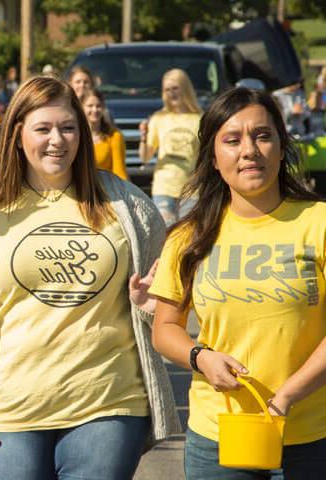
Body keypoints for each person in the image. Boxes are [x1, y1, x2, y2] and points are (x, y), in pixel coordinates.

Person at [0, 76, 180, 479]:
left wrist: (151, 310)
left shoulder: (129, 206)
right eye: (43, 128)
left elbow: (167, 304)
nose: (57, 140)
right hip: (10, 410)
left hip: (108, 401)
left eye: (68, 128)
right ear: (17, 134)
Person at [150, 87, 326, 479]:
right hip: (218, 439)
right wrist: (201, 358)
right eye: (232, 140)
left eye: (263, 136)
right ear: (214, 158)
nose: (249, 150)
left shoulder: (319, 222)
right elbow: (164, 329)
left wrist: (288, 395)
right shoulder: (188, 236)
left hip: (312, 438)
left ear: (282, 147)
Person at [139, 68, 202, 226]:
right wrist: (143, 136)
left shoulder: (200, 119)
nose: (171, 93)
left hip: (192, 190)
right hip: (163, 188)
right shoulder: (159, 118)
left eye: (175, 88)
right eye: (167, 90)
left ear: (185, 88)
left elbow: (206, 156)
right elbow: (145, 158)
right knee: (166, 236)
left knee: (188, 237)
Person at [81, 88, 128, 180]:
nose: (95, 110)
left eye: (98, 106)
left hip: (105, 190)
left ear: (103, 108)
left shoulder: (114, 136)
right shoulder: (75, 136)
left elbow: (119, 171)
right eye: (90, 106)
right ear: (82, 108)